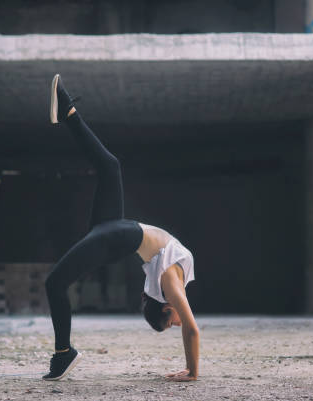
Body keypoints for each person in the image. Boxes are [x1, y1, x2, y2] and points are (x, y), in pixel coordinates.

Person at [43, 74, 199, 382]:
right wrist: (193, 373)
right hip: (117, 227)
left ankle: (64, 354)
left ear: (166, 306)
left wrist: (192, 371)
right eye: (173, 326)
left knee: (54, 284)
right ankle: (68, 112)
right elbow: (192, 328)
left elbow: (191, 329)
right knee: (110, 166)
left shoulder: (170, 282)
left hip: (118, 236)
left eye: (171, 324)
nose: (179, 324)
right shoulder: (172, 280)